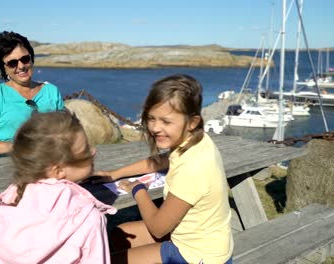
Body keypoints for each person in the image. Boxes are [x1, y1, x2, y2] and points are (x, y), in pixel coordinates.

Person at [0, 110, 116, 263]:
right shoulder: (88, 218)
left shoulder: (6, 203)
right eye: (85, 150)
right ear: (59, 170)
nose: (94, 151)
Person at [96, 74, 233, 264]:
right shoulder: (196, 141)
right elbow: (163, 160)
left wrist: (137, 189)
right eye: (151, 118)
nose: (155, 128)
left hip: (198, 255)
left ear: (192, 122)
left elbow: (158, 228)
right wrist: (115, 174)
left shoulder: (193, 168)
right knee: (121, 234)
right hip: (202, 238)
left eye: (166, 122)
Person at [0, 31, 64, 158]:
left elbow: (66, 133)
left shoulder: (51, 91)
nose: (21, 66)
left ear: (31, 58)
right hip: (8, 172)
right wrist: (19, 148)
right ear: (3, 68)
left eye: (25, 59)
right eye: (12, 63)